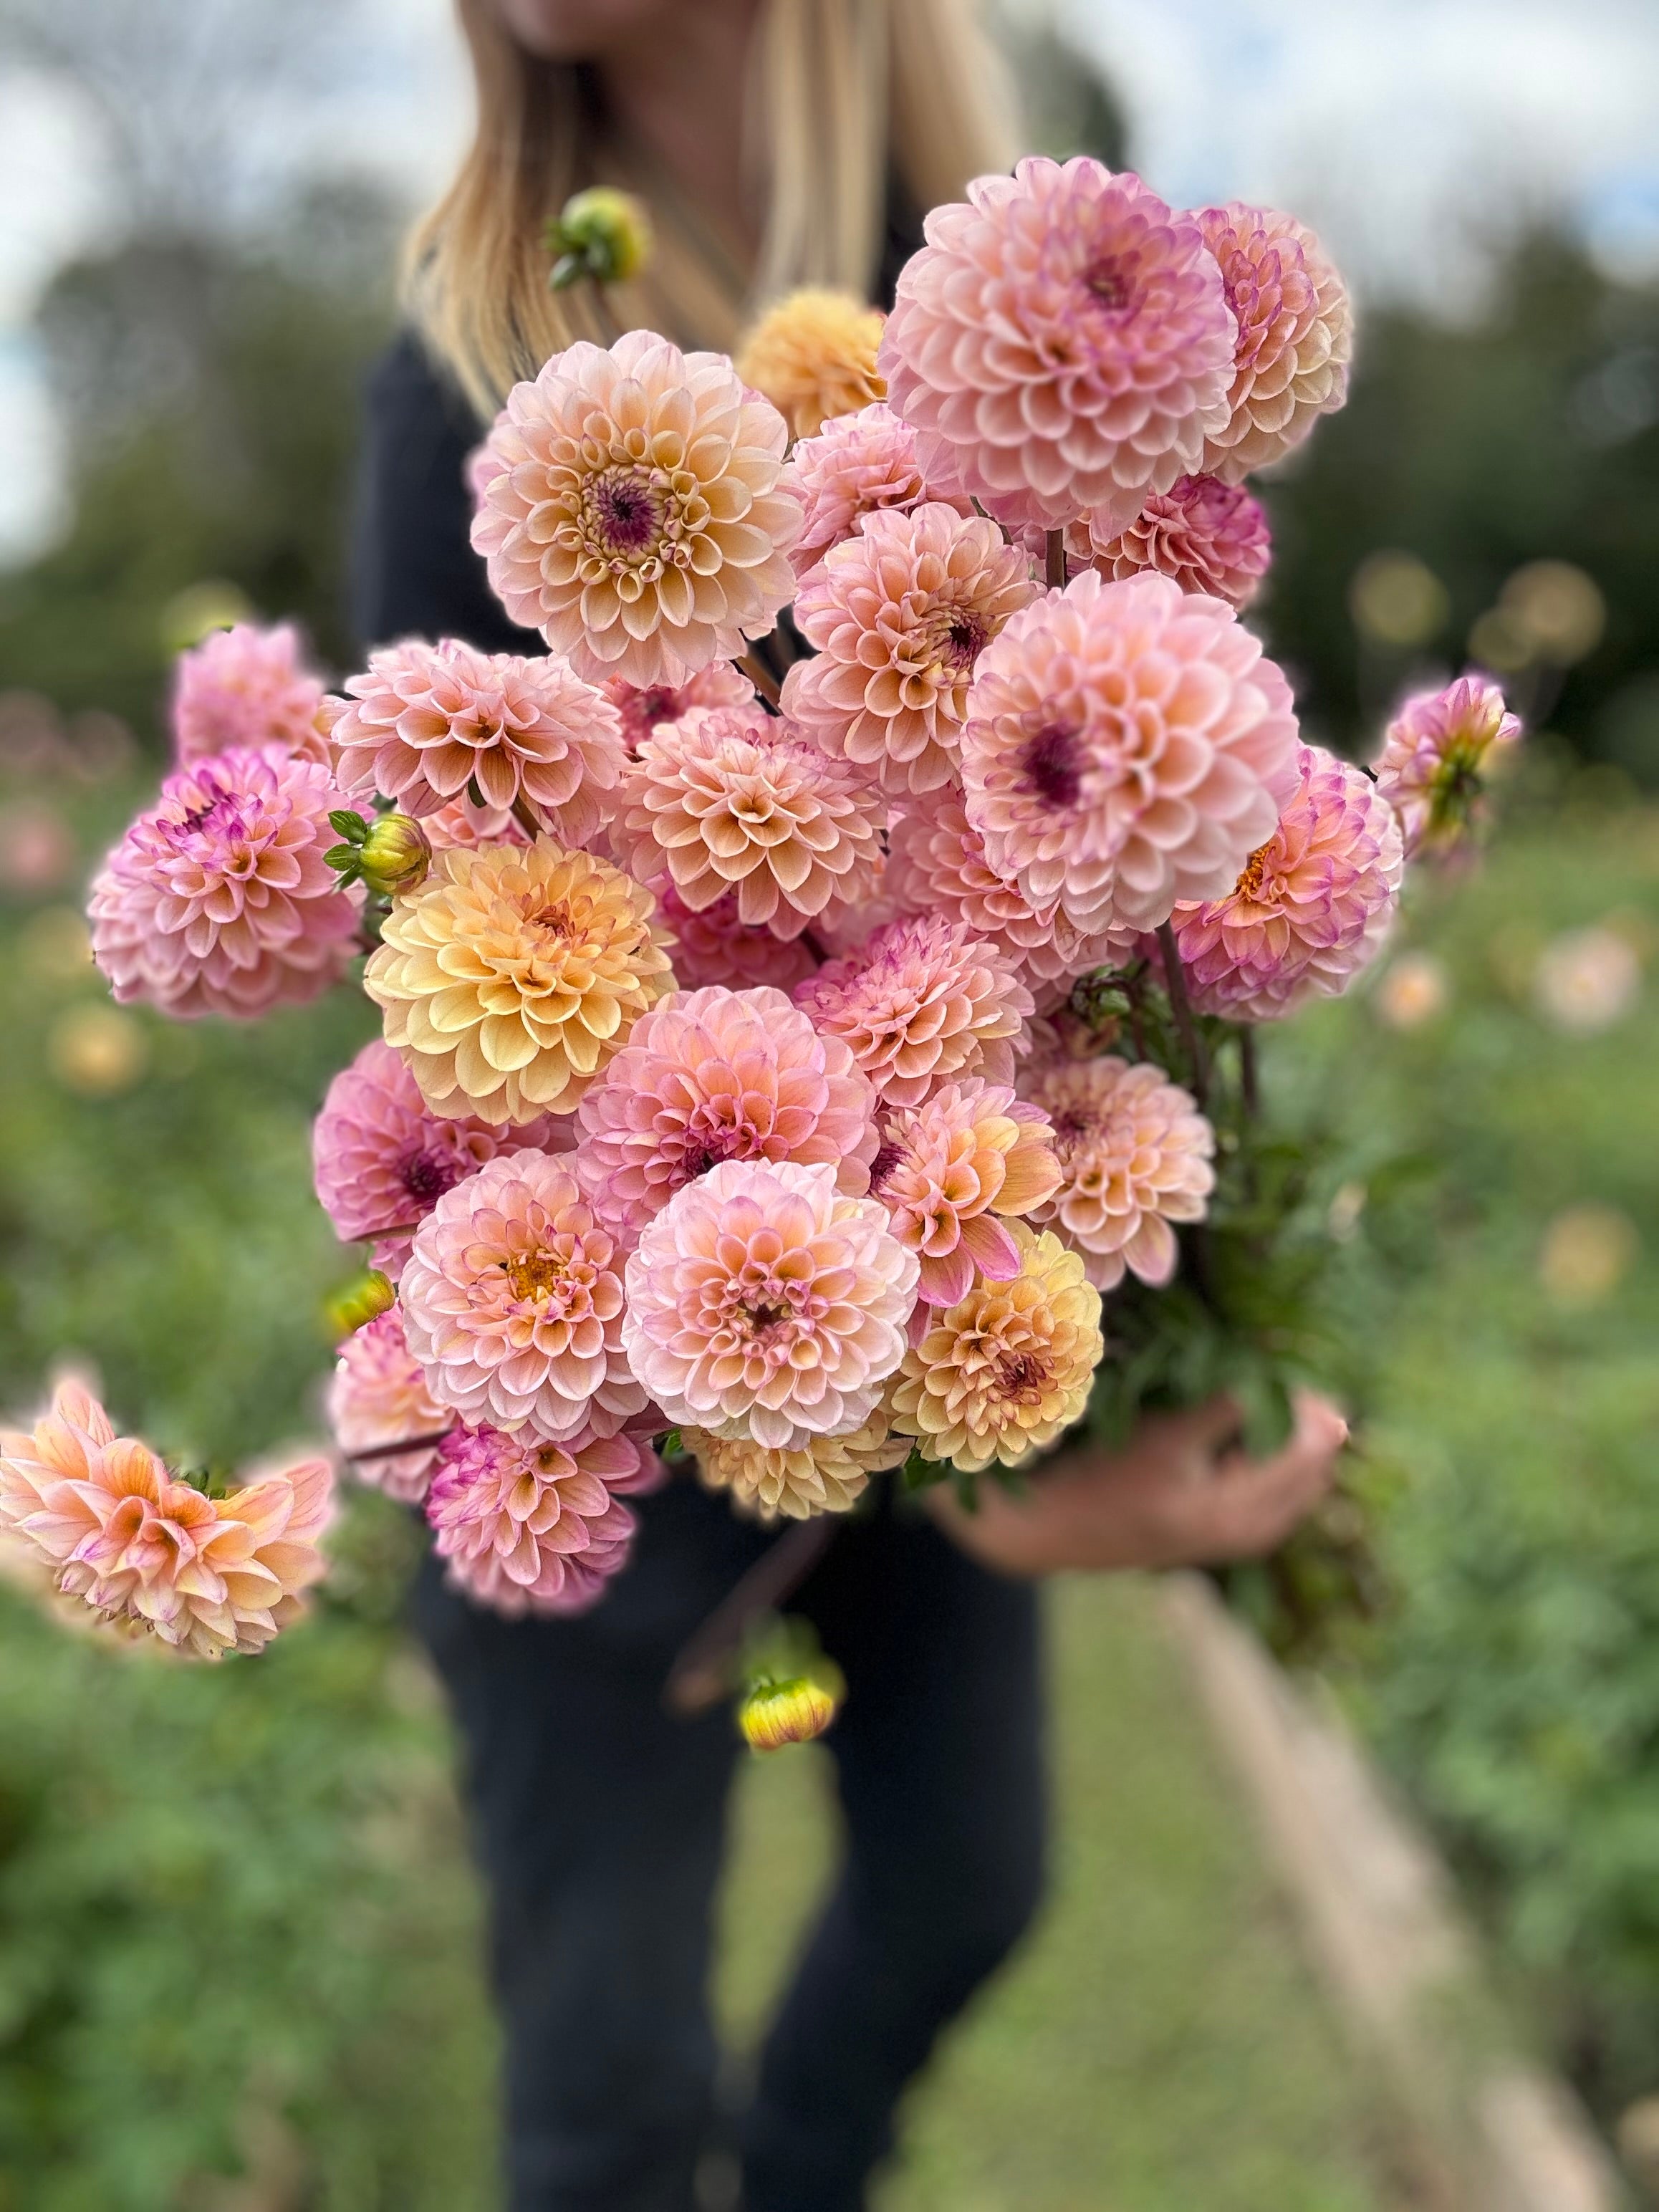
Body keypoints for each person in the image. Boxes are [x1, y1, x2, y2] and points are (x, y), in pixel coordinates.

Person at [351, 6, 1350, 2208]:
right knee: (603, 2087)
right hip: (593, 1395)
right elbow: (436, 933)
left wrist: (1023, 1389)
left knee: (964, 1885)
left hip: (922, 1308)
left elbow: (1127, 897)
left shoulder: (1030, 346)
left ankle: (796, 2173)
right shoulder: (469, 351)